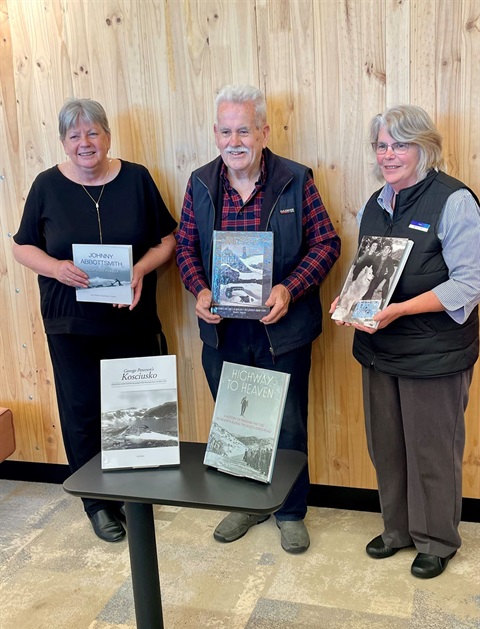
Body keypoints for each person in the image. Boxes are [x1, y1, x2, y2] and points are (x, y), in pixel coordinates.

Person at [176, 85, 340, 553]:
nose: (235, 140)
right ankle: (247, 504)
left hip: (281, 328)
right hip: (224, 331)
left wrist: (290, 288)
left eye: (244, 130)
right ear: (215, 134)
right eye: (226, 131)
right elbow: (185, 247)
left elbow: (326, 244)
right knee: (235, 422)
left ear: (264, 132)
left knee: (287, 422)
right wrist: (200, 288)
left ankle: (289, 511)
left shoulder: (295, 179)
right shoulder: (201, 182)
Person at [13, 98, 177, 543]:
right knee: (83, 411)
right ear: (63, 143)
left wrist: (142, 268)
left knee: (136, 410)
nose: (85, 143)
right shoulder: (46, 185)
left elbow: (168, 240)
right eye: (74, 135)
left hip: (132, 319)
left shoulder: (138, 179)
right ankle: (97, 504)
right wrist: (55, 268)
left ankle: (134, 496)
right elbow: (22, 247)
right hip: (72, 324)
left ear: (107, 136)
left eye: (92, 133)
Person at [331, 105, 480, 578]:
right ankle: (397, 529)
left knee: (431, 450)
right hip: (379, 351)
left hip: (435, 353)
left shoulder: (453, 201)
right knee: (386, 446)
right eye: (382, 145)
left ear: (424, 148)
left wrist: (398, 311)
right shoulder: (377, 203)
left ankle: (436, 539)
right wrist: (350, 299)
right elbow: (369, 272)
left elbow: (469, 283)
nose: (389, 154)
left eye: (400, 144)